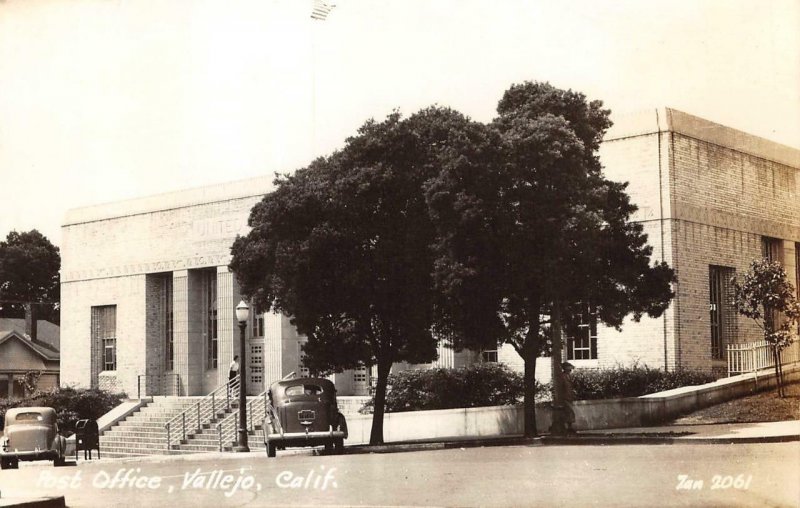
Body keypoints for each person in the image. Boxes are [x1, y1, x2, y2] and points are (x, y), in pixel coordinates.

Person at [561, 361, 577, 434]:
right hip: (565, 397)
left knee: (569, 412)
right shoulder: (562, 376)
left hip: (569, 396)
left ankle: (569, 427)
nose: (570, 370)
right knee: (569, 412)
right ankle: (568, 428)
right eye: (569, 368)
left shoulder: (569, 376)